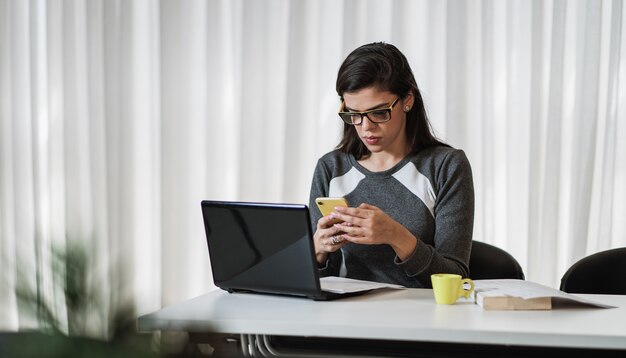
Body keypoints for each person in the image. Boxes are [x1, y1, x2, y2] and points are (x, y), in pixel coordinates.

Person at [308, 42, 475, 288]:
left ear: (407, 100)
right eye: (353, 114)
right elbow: (319, 281)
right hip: (343, 317)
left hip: (421, 318)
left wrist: (395, 236)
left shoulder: (445, 166)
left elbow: (456, 278)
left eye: (378, 112)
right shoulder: (331, 167)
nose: (365, 127)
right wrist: (317, 251)